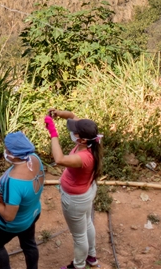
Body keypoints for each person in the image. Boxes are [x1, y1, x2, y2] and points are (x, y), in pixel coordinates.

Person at [44, 110, 103, 269]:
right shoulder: (91, 140)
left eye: (74, 132)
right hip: (87, 191)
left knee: (79, 235)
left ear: (82, 139)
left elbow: (59, 159)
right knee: (87, 223)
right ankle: (91, 256)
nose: (72, 132)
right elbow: (71, 115)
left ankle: (78, 265)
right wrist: (57, 113)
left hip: (76, 200)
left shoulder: (84, 158)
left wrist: (53, 132)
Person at [0, 132, 45, 269]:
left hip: (15, 223)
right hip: (32, 213)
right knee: (29, 244)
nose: (5, 151)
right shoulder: (33, 158)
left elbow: (9, 216)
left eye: (6, 149)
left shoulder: (15, 182)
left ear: (13, 154)